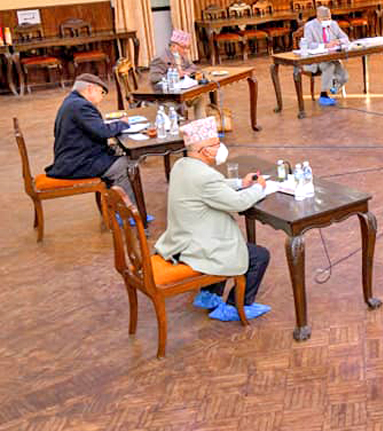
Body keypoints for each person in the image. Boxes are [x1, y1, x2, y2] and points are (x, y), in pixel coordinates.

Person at [153, 117, 271, 321]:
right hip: (198, 248)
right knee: (259, 256)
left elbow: (213, 186)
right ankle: (235, 307)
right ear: (206, 151)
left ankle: (209, 295)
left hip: (180, 242)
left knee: (225, 242)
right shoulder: (205, 177)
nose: (220, 147)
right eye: (216, 143)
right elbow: (238, 203)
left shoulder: (182, 165)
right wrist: (259, 188)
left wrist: (241, 184)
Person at [46, 73, 138, 208]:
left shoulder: (71, 102)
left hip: (75, 157)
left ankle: (114, 205)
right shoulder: (80, 106)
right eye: (101, 93)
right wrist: (123, 123)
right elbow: (103, 131)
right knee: (126, 165)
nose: (102, 97)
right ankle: (128, 212)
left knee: (118, 152)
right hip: (77, 163)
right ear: (90, 89)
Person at [148, 29, 206, 116]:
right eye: (184, 47)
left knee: (200, 97)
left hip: (183, 91)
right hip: (167, 96)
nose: (186, 51)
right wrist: (174, 76)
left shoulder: (181, 56)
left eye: (188, 47)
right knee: (174, 108)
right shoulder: (160, 58)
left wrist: (186, 72)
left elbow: (193, 67)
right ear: (174, 46)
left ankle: (202, 123)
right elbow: (154, 78)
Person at [300, 5, 349, 107]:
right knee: (328, 66)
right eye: (325, 19)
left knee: (344, 76)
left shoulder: (333, 24)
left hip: (331, 57)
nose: (327, 21)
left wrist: (338, 41)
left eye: (329, 18)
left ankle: (334, 87)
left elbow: (345, 38)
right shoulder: (309, 26)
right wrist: (325, 45)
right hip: (315, 59)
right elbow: (308, 44)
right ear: (318, 18)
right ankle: (323, 95)